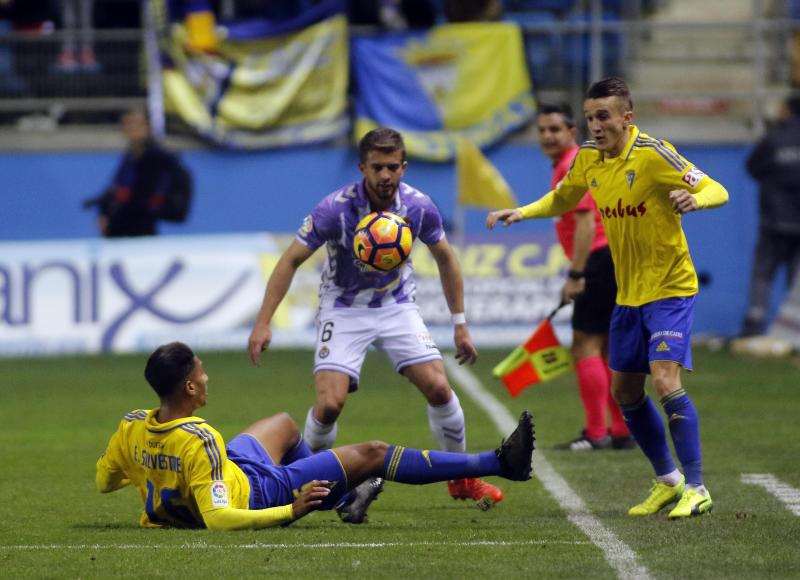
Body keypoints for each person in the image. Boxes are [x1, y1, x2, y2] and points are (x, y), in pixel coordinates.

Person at [486, 77, 729, 518]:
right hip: (628, 292)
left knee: (664, 379)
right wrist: (521, 212)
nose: (595, 126)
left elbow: (716, 188)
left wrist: (695, 199)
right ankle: (667, 481)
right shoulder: (588, 160)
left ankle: (697, 486)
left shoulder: (654, 154)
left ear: (626, 117)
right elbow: (563, 198)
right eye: (590, 117)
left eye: (603, 117)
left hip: (670, 288)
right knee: (625, 391)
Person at [248, 127, 504, 509]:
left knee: (438, 387)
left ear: (403, 166)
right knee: (330, 405)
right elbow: (290, 260)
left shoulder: (419, 207)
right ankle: (308, 484)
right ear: (362, 168)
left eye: (393, 167)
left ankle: (462, 480)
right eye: (377, 167)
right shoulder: (334, 209)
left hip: (396, 306)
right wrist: (263, 321)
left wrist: (460, 323)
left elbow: (446, 258)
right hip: (343, 308)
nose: (385, 176)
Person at [96, 342, 535, 529]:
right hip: (257, 491)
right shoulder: (200, 439)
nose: (208, 378)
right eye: (202, 372)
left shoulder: (133, 425)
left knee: (285, 424)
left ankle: (347, 500)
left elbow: (104, 481)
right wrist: (289, 509)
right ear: (190, 387)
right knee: (375, 452)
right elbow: (218, 518)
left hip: (229, 467)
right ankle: (500, 463)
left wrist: (149, 469)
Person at [535, 103, 633, 452]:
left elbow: (586, 223)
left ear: (571, 133)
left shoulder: (572, 165)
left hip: (598, 259)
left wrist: (575, 274)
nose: (547, 136)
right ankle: (621, 430)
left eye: (554, 130)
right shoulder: (574, 163)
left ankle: (596, 433)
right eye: (543, 130)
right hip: (612, 258)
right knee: (607, 348)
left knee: (584, 346)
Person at [739, 96, 800, 337]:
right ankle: (792, 330)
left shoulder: (774, 138)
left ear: (787, 110)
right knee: (795, 277)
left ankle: (754, 321)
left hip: (774, 219)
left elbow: (752, 166)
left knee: (763, 272)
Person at [82, 108, 193, 238]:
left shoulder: (158, 159)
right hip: (120, 230)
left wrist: (114, 217)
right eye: (128, 123)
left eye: (137, 123)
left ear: (148, 127)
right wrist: (105, 212)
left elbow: (141, 199)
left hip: (141, 231)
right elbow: (119, 190)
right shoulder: (129, 158)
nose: (132, 128)